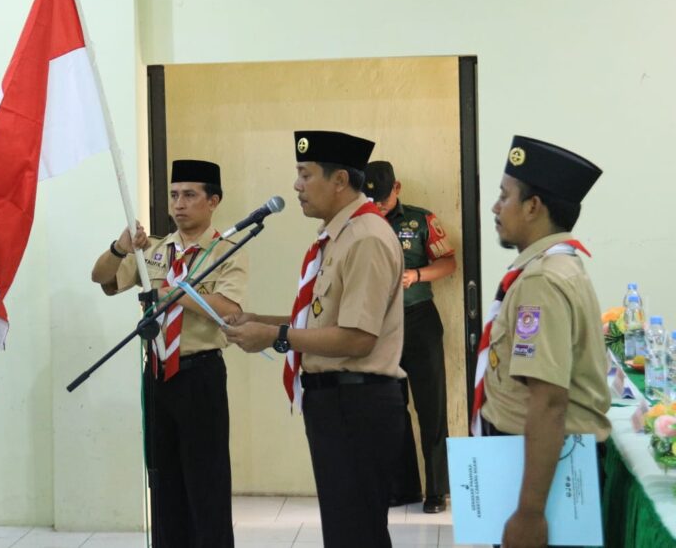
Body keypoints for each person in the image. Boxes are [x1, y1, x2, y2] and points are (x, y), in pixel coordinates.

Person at [225, 131, 405, 548]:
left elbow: (358, 339)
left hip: (357, 404)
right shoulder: (339, 235)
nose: (296, 186)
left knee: (356, 534)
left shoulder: (366, 238)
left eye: (305, 175)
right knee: (346, 530)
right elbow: (325, 320)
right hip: (337, 403)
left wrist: (275, 336)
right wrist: (260, 320)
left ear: (339, 180)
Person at [91, 159, 246, 548]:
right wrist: (121, 247)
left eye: (190, 195)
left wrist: (170, 293)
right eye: (174, 195)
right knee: (163, 480)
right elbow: (103, 279)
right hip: (159, 374)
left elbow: (228, 307)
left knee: (205, 482)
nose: (179, 204)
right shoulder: (156, 251)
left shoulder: (225, 251)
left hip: (200, 374)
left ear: (213, 201)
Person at [476, 136, 608, 548]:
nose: (496, 207)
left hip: (545, 472)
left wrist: (530, 513)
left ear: (534, 206)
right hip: (535, 462)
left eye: (505, 196)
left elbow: (548, 401)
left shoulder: (543, 281)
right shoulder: (555, 266)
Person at [364, 160, 456, 513]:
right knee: (391, 407)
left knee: (431, 407)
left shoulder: (420, 220)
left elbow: (449, 263)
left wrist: (416, 275)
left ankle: (437, 490)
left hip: (419, 321)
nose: (379, 204)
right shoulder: (360, 225)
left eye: (384, 198)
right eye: (372, 199)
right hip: (379, 326)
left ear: (397, 188)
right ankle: (403, 487)